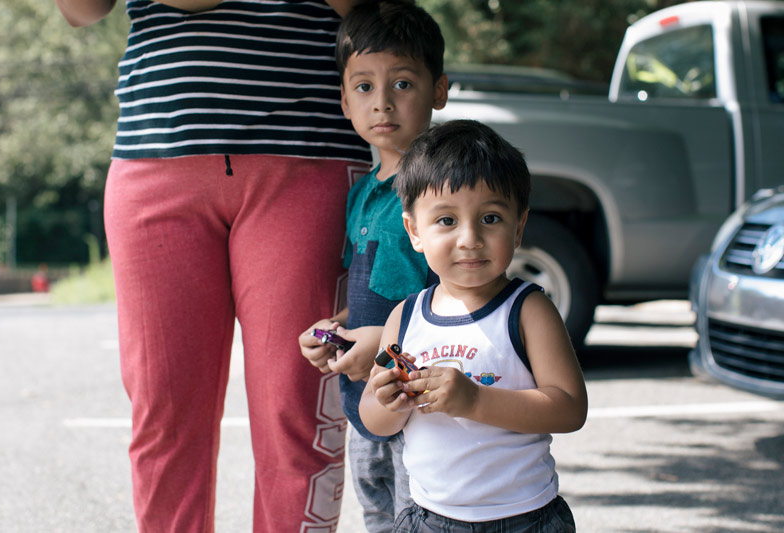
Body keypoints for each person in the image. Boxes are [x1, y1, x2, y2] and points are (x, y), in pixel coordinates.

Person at [54, 1, 371, 532]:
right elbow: (79, 9)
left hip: (305, 153)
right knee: (164, 416)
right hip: (156, 154)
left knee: (297, 410)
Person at [360, 119, 588, 532]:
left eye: (490, 218)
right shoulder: (405, 316)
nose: (469, 238)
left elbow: (570, 408)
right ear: (414, 231)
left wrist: (474, 401)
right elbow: (374, 420)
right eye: (446, 221)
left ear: (518, 228)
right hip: (429, 518)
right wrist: (386, 400)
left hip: (525, 518)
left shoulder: (528, 309)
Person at [298, 1, 448, 530]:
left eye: (402, 84)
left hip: (423, 402)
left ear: (440, 90)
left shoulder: (442, 193)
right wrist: (334, 329)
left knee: (425, 516)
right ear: (344, 100)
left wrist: (381, 344)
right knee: (378, 514)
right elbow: (367, 289)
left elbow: (456, 297)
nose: (382, 102)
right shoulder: (361, 194)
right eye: (364, 87)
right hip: (365, 403)